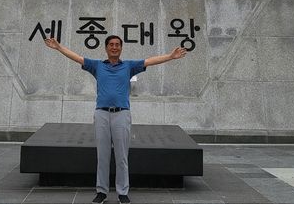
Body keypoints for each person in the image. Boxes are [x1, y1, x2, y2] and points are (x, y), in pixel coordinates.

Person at [44, 35, 187, 204]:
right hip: (101, 114)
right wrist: (59, 47)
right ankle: (101, 192)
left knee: (121, 156)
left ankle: (122, 192)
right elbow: (77, 57)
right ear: (106, 48)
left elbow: (150, 61)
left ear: (121, 48)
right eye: (111, 45)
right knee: (102, 156)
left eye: (117, 45)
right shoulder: (97, 66)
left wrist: (170, 57)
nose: (114, 47)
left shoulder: (128, 66)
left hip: (122, 114)